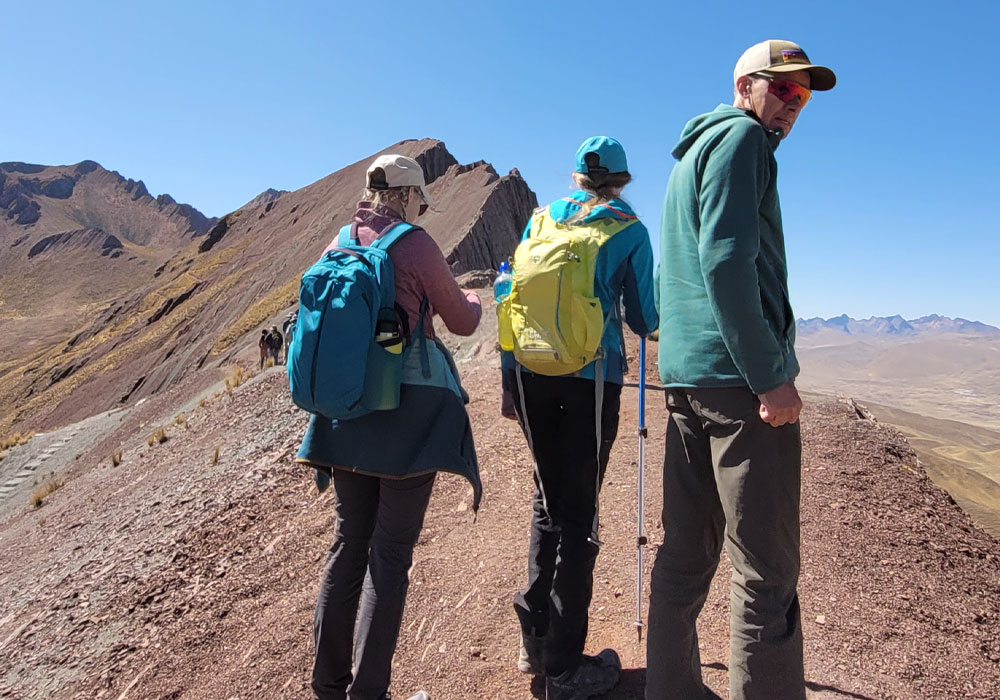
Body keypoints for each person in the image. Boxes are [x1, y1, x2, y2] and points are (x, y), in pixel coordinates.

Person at [646, 40, 836, 700]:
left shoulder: (689, 157)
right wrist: (768, 377)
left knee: (686, 553)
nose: (791, 107)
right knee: (767, 569)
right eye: (782, 89)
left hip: (689, 379)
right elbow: (726, 265)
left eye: (802, 97)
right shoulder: (743, 142)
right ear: (745, 84)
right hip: (739, 386)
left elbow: (677, 271)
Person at [296, 153, 483, 700]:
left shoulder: (339, 241)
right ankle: (368, 693)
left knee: (349, 542)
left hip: (345, 412)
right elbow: (463, 320)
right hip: (406, 414)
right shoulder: (414, 243)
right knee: (391, 554)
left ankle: (328, 687)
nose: (420, 208)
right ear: (405, 196)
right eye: (418, 199)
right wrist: (472, 296)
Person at [502, 137, 658, 700]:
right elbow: (646, 317)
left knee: (547, 501)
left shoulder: (540, 221)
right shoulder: (629, 230)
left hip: (530, 371)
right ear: (621, 181)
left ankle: (534, 643)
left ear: (575, 176)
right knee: (580, 518)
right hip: (591, 378)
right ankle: (565, 669)